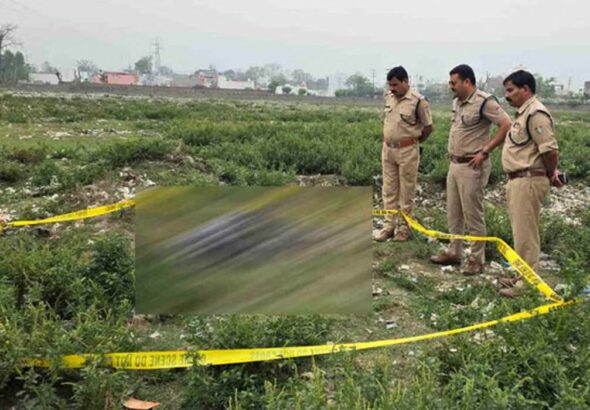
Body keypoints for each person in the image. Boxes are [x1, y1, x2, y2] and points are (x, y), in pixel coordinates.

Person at [430, 64, 511, 275]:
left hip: (472, 166)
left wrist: (485, 151)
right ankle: (454, 252)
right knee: (454, 212)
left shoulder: (484, 101)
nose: (450, 86)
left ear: (467, 82)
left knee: (473, 214)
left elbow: (506, 124)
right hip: (455, 164)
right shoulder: (457, 102)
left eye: (453, 82)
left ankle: (476, 259)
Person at [498, 70, 563, 298]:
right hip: (519, 180)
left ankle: (527, 284)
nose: (507, 95)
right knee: (520, 232)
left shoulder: (536, 114)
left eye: (511, 90)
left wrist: (551, 172)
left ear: (525, 89)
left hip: (528, 180)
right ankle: (521, 275)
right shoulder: (523, 114)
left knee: (526, 233)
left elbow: (549, 150)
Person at [375, 66, 433, 242]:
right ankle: (388, 226)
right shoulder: (389, 98)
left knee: (406, 191)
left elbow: (428, 127)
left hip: (407, 150)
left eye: (395, 85)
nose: (392, 88)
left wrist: (413, 142)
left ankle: (403, 228)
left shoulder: (418, 101)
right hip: (388, 150)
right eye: (390, 85)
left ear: (405, 81)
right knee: (389, 190)